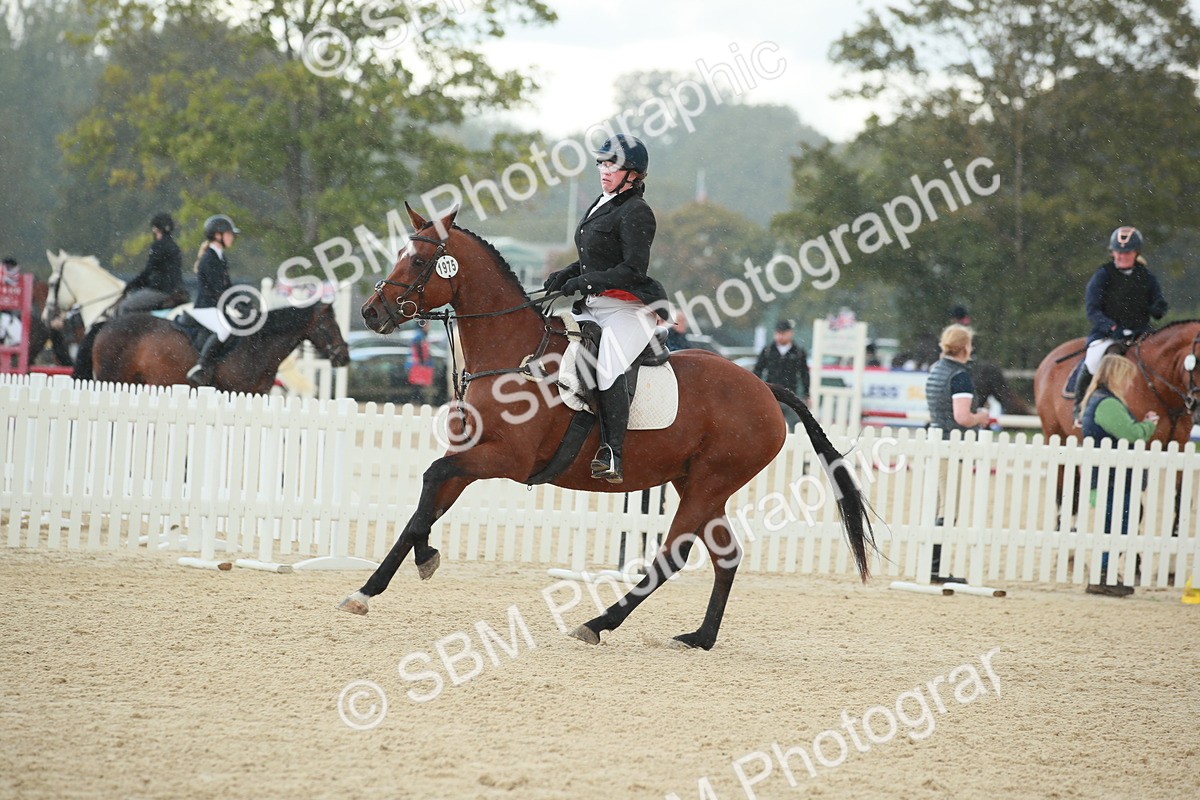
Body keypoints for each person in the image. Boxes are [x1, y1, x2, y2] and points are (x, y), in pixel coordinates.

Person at [542, 134, 668, 484]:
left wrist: (585, 281)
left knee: (608, 367)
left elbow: (632, 270)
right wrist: (568, 273)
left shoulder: (637, 211)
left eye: (612, 165)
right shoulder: (603, 202)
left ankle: (612, 453)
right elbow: (594, 258)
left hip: (627, 310)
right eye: (601, 163)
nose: (604, 170)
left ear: (633, 173)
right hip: (593, 305)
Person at [1080, 354, 1158, 597]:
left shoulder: (1101, 400)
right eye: (1127, 378)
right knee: (1118, 527)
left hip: (1111, 478)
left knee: (1116, 526)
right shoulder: (1107, 403)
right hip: (1114, 479)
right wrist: (1149, 425)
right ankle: (1103, 574)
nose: (1130, 383)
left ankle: (1104, 573)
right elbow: (1131, 434)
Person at [1074, 226, 1168, 422]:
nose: (1121, 256)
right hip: (1108, 334)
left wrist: (1158, 307)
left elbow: (1157, 302)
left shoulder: (1146, 276)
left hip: (1141, 332)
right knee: (1093, 359)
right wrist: (1111, 327)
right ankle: (1079, 407)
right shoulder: (1103, 275)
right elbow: (1092, 309)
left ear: (1136, 253)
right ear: (1112, 252)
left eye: (1126, 252)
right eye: (1118, 252)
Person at [925, 324, 990, 583]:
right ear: (965, 348)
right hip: (953, 445)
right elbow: (962, 416)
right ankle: (936, 567)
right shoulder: (959, 375)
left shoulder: (936, 368)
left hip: (937, 440)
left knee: (940, 504)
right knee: (948, 507)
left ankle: (933, 565)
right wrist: (980, 417)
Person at [187, 214, 240, 387]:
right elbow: (217, 290)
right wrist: (233, 303)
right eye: (229, 234)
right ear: (218, 235)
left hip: (215, 307)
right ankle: (201, 367)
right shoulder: (209, 258)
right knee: (224, 329)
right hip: (205, 308)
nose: (232, 238)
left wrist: (241, 303)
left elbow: (228, 287)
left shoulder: (220, 257)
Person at [117, 212, 185, 315]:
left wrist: (131, 285)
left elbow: (148, 271)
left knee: (125, 307)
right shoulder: (174, 246)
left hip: (161, 290)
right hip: (176, 290)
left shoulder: (158, 246)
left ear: (155, 229)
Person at [753, 319, 810, 428]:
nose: (780, 336)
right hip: (771, 393)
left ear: (790, 333)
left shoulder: (798, 352)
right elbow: (758, 370)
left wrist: (806, 394)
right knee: (768, 424)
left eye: (783, 333)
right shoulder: (768, 350)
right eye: (778, 333)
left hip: (790, 393)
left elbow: (804, 374)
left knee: (794, 425)